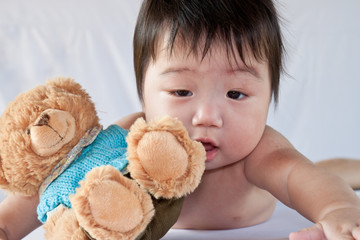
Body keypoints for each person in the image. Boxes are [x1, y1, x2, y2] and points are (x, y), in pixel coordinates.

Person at [1, 0, 360, 239]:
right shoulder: (129, 138)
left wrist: (338, 209)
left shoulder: (261, 151)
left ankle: (348, 173)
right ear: (143, 92)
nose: (207, 117)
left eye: (235, 94)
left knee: (320, 173)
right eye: (182, 92)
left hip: (276, 196)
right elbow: (60, 183)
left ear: (269, 97)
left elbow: (302, 178)